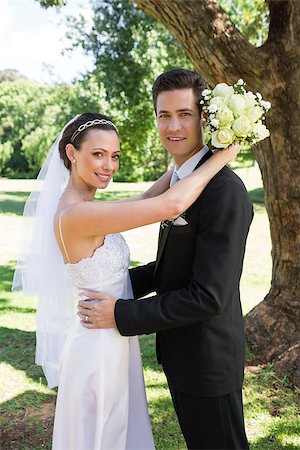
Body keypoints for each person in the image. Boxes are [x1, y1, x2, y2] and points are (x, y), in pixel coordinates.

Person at [13, 110, 240, 450]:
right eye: (98, 154)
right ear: (72, 154)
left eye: (115, 155)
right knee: (106, 432)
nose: (109, 165)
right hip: (98, 347)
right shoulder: (76, 215)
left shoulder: (86, 206)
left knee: (121, 428)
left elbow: (146, 200)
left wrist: (187, 161)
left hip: (113, 335)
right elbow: (170, 204)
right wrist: (223, 155)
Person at [78, 69, 253, 450]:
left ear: (205, 118)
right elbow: (171, 269)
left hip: (208, 360)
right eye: (163, 115)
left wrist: (122, 314)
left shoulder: (224, 192)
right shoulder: (180, 179)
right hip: (182, 355)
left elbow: (208, 296)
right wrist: (112, 283)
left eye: (184, 114)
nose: (173, 126)